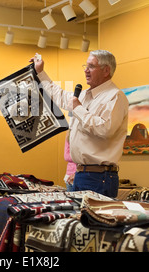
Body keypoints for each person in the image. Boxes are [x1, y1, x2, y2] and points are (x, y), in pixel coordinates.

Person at [30, 50, 129, 198]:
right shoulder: (83, 95)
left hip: (99, 177)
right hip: (81, 174)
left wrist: (78, 108)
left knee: (94, 220)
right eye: (85, 66)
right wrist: (40, 72)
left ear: (106, 70)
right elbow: (60, 96)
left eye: (91, 66)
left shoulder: (115, 96)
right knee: (78, 219)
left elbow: (105, 129)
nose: (86, 70)